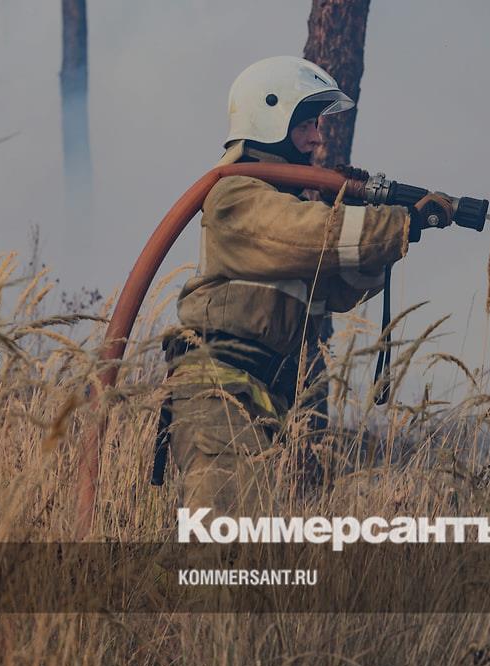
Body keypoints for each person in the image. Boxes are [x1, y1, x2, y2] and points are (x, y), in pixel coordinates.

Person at [161, 56, 454, 513]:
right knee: (226, 539)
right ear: (268, 122)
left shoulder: (288, 204)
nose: (317, 138)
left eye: (316, 125)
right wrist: (399, 222)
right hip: (219, 395)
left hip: (259, 400)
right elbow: (310, 235)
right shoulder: (235, 195)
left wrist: (372, 220)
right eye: (304, 126)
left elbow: (340, 287)